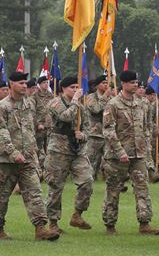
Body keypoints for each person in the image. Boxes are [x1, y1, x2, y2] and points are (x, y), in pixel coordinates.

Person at [0, 72, 59, 241]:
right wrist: (13, 152)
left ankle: (41, 229)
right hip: (7, 160)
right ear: (11, 84)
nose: (25, 86)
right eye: (20, 83)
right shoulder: (3, 106)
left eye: (26, 83)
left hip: (28, 158)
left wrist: (34, 152)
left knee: (35, 192)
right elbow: (2, 132)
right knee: (2, 197)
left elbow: (31, 130)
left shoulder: (29, 104)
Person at [102, 70, 159, 236]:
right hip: (117, 157)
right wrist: (120, 151)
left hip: (138, 154)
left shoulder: (142, 103)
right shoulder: (113, 104)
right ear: (123, 84)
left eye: (136, 82)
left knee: (142, 189)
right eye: (132, 82)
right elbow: (108, 130)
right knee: (113, 190)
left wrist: (147, 149)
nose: (135, 85)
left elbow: (145, 127)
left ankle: (145, 223)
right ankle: (110, 225)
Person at [45, 75, 94, 234]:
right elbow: (65, 116)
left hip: (77, 150)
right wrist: (75, 102)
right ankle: (53, 222)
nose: (75, 90)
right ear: (63, 89)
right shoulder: (55, 103)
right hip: (59, 151)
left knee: (87, 180)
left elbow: (88, 127)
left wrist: (83, 136)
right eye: (71, 87)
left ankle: (77, 214)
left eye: (76, 87)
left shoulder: (81, 107)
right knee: (55, 186)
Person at [85, 75, 111, 180]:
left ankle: (114, 180)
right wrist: (105, 97)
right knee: (91, 159)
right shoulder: (91, 97)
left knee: (110, 159)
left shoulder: (111, 98)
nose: (105, 85)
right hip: (94, 133)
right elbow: (96, 109)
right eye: (103, 83)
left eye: (106, 83)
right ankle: (89, 179)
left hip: (108, 133)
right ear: (97, 85)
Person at [31, 76, 53, 169]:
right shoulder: (34, 96)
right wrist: (37, 124)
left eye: (47, 82)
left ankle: (47, 170)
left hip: (49, 126)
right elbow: (32, 112)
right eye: (44, 82)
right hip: (39, 127)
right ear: (39, 84)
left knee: (50, 149)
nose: (46, 84)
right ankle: (38, 169)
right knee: (38, 149)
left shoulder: (51, 95)